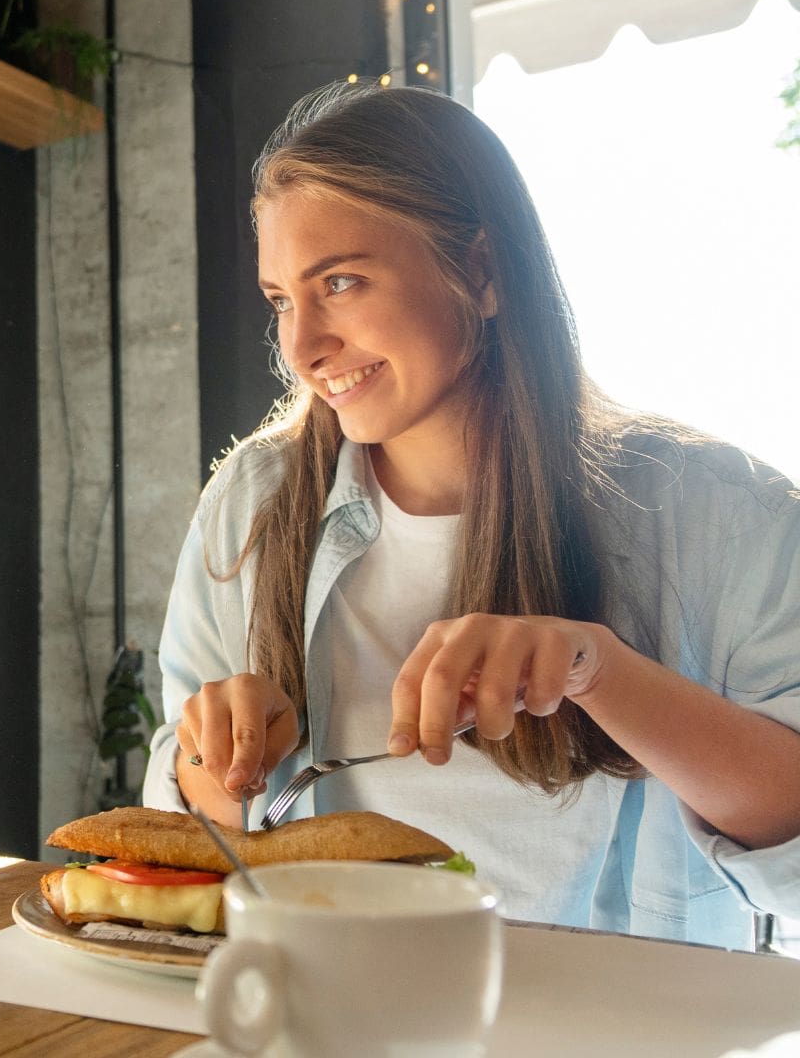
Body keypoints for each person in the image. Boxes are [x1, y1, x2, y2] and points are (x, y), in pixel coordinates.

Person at [142, 81, 800, 949]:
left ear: (482, 272)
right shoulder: (248, 511)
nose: (301, 348)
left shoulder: (724, 512)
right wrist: (218, 762)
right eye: (280, 300)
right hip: (324, 1011)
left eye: (340, 282)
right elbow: (199, 834)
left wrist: (595, 669)